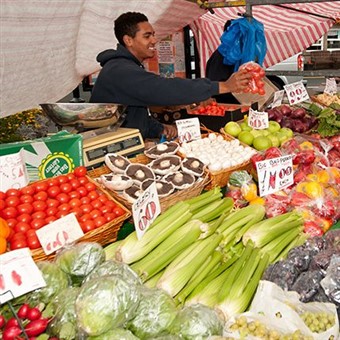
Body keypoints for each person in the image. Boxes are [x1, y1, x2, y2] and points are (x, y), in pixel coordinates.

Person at [90, 12, 252, 140]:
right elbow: (163, 89)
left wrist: (158, 128)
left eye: (153, 34)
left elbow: (132, 112)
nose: (154, 40)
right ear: (128, 40)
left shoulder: (126, 67)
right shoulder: (120, 70)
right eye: (147, 36)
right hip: (110, 150)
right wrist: (222, 86)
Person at [205, 20, 239, 104]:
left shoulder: (232, 55)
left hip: (231, 102)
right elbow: (217, 84)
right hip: (225, 104)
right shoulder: (222, 56)